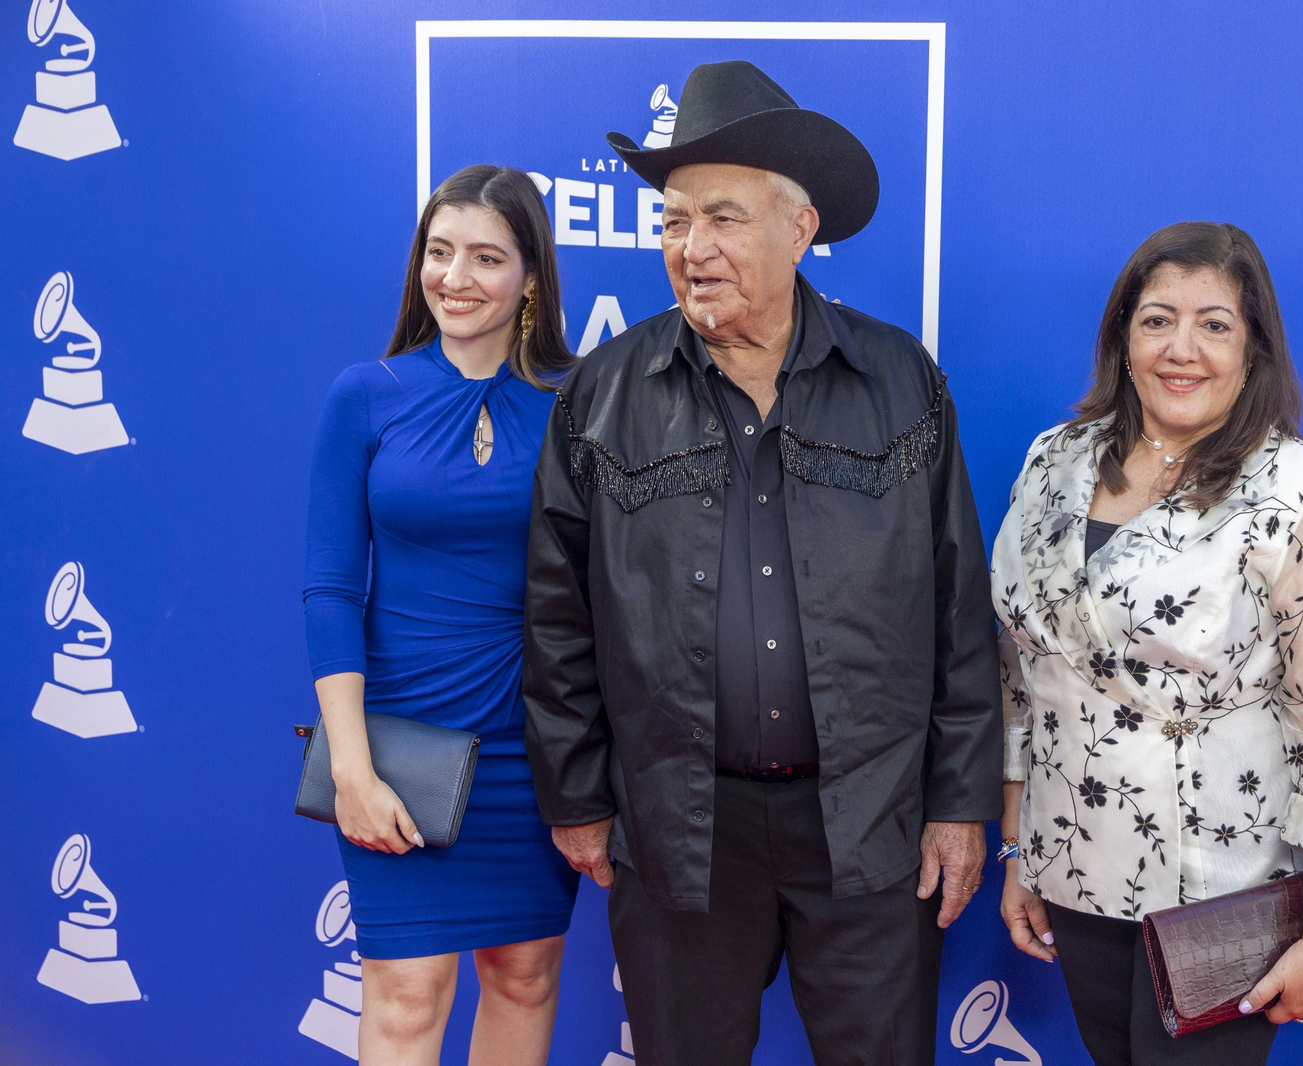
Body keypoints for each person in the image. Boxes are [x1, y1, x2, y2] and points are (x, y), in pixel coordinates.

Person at [521, 60, 1001, 1065]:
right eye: (673, 221)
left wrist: (960, 803)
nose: (692, 249)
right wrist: (577, 797)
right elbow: (556, 614)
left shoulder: (901, 380)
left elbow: (959, 610)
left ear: (800, 227)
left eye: (724, 219)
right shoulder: (601, 395)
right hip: (676, 829)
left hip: (868, 823)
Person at [991, 221, 1303, 1066]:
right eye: (1157, 319)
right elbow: (1026, 679)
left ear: (1255, 349)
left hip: (1224, 894)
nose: (1183, 348)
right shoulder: (1053, 460)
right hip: (1076, 869)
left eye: (1215, 324)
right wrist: (1021, 849)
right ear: (1122, 338)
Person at [303, 165, 580, 1066]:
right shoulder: (366, 395)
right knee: (408, 992)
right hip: (399, 743)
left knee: (525, 975)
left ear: (533, 275)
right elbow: (332, 589)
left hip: (536, 745)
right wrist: (350, 768)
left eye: (486, 257)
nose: (454, 277)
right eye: (439, 250)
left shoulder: (579, 404)